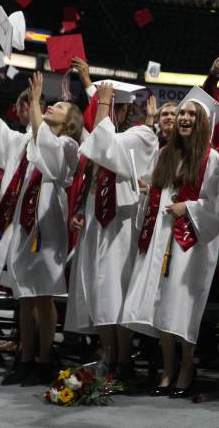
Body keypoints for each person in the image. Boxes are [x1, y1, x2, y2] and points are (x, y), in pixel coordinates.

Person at [0, 67, 83, 386]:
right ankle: (25, 357)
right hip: (22, 225)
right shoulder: (25, 142)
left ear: (70, 121)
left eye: (58, 107)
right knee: (25, 296)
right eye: (48, 105)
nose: (50, 107)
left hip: (47, 225)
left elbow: (47, 148)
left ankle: (45, 359)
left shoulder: (68, 146)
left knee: (42, 294)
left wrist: (34, 104)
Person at [120, 87, 219, 398]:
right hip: (161, 236)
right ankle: (168, 368)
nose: (184, 118)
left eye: (192, 114)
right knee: (160, 304)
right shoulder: (165, 153)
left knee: (181, 306)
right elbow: (156, 192)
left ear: (202, 122)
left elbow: (218, 207)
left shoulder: (212, 158)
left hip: (190, 241)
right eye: (182, 113)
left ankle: (186, 367)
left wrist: (188, 209)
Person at [68, 80, 159, 380]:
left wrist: (103, 102)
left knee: (115, 290)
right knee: (97, 290)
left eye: (107, 108)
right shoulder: (105, 136)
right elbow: (96, 156)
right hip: (97, 224)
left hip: (121, 227)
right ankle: (108, 356)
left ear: (119, 109)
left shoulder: (142, 135)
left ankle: (123, 361)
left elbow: (106, 147)